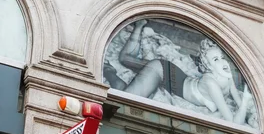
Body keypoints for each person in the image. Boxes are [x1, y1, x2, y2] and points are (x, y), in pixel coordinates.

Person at [103, 20, 254, 126]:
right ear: (207, 65)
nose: (222, 62)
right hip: (161, 71)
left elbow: (242, 114)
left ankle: (138, 28)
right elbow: (233, 121)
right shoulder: (210, 82)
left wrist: (244, 102)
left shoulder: (226, 77)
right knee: (125, 97)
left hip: (171, 73)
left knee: (126, 61)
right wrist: (246, 101)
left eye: (222, 58)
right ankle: (109, 71)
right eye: (215, 60)